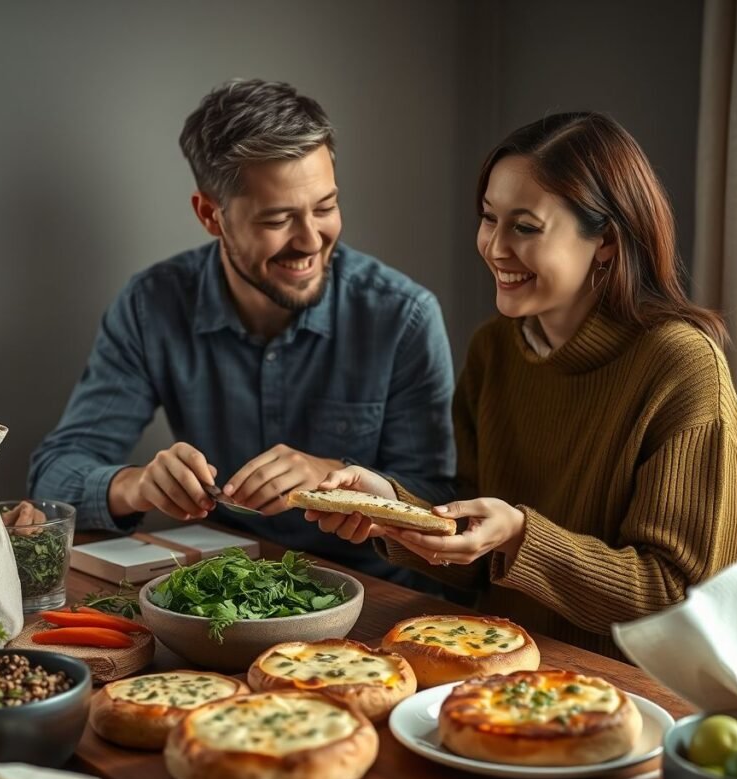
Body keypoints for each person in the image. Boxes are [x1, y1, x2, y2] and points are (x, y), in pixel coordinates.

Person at [305, 112, 737, 659]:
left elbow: (676, 597)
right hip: (497, 660)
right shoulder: (494, 350)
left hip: (630, 690)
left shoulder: (681, 366)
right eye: (489, 218)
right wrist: (392, 508)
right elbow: (478, 559)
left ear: (605, 240)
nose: (494, 247)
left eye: (525, 227)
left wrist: (520, 536)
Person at [29, 79, 455, 586]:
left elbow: (435, 504)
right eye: (278, 219)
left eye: (325, 207)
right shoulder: (152, 305)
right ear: (211, 215)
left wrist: (334, 476)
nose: (310, 240)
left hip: (372, 596)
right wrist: (137, 484)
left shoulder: (403, 316)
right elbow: (53, 475)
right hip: (221, 592)